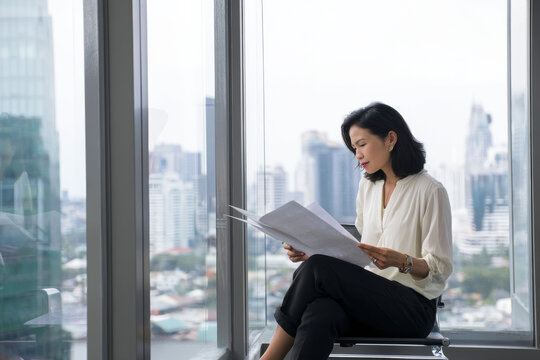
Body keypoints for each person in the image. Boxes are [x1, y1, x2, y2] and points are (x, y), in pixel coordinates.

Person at [260, 102, 453, 360]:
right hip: (370, 299)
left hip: (412, 308)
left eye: (362, 144)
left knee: (319, 269)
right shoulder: (368, 187)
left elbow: (440, 267)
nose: (357, 155)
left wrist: (402, 261)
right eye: (354, 148)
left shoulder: (431, 191)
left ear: (391, 139)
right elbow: (359, 253)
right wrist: (314, 252)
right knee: (320, 311)